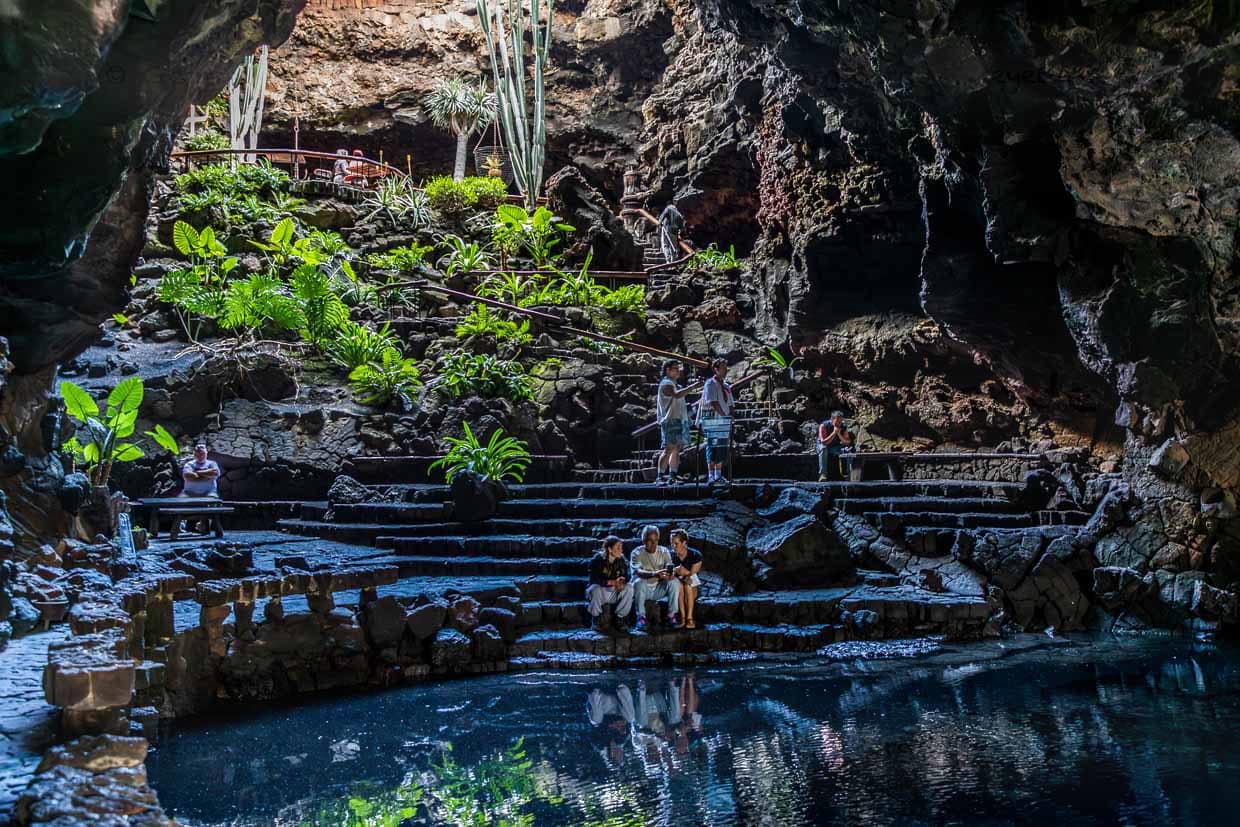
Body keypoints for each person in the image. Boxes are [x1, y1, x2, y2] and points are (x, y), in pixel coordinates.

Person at [630, 525, 680, 631]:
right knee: (639, 582)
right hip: (643, 589)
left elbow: (670, 567)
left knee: (675, 582)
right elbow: (638, 571)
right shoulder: (636, 552)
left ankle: (671, 616)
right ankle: (641, 617)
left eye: (656, 540)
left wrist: (670, 575)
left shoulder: (664, 551)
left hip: (658, 588)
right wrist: (654, 574)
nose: (654, 544)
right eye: (650, 540)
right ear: (644, 540)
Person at [655, 360, 693, 486]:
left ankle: (673, 476)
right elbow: (676, 395)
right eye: (675, 368)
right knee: (668, 449)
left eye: (678, 368)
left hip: (678, 419)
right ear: (667, 370)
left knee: (676, 448)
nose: (678, 370)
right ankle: (660, 477)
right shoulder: (666, 383)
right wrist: (693, 387)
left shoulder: (675, 384)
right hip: (670, 420)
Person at [696, 357, 733, 485]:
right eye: (723, 367)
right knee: (712, 446)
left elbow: (730, 402)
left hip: (724, 419)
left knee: (722, 446)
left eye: (726, 367)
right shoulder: (710, 383)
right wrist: (723, 415)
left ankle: (719, 474)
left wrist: (730, 415)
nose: (725, 370)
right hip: (712, 418)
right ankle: (711, 475)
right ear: (716, 369)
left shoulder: (726, 386)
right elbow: (713, 402)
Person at [587, 535, 634, 634]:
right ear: (609, 549)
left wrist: (622, 581)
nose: (621, 550)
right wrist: (612, 582)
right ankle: (596, 619)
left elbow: (628, 575)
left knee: (629, 587)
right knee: (594, 588)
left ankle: (620, 618)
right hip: (601, 592)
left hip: (614, 591)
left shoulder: (621, 559)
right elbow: (594, 579)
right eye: (618, 547)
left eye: (621, 547)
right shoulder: (598, 559)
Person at [669, 529, 703, 629]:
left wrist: (684, 573)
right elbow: (670, 572)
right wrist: (676, 571)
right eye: (672, 543)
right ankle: (683, 618)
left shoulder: (695, 555)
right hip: (679, 584)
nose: (673, 546)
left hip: (692, 585)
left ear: (684, 543)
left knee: (687, 585)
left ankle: (690, 618)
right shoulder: (671, 555)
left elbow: (692, 575)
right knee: (679, 585)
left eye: (676, 543)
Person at [817, 411, 854, 482]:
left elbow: (847, 442)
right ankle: (823, 474)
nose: (839, 423)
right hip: (824, 446)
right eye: (837, 421)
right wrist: (834, 433)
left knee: (848, 450)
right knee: (823, 448)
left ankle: (849, 474)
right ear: (832, 419)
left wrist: (839, 434)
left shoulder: (843, 427)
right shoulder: (824, 425)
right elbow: (824, 442)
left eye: (840, 421)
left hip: (835, 447)